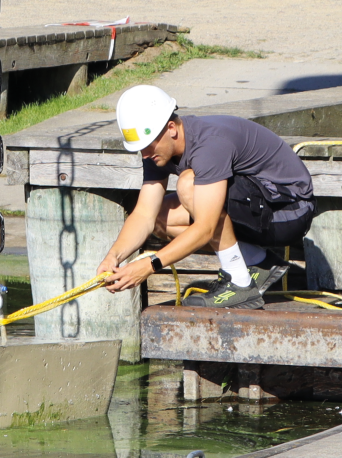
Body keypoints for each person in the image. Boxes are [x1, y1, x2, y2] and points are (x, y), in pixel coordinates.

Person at [98, 84, 317, 309]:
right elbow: (144, 214)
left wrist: (149, 265)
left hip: (290, 211)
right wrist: (114, 256)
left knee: (188, 185)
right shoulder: (155, 151)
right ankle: (258, 262)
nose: (144, 154)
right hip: (258, 204)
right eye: (140, 148)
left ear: (171, 128)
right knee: (161, 217)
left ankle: (240, 284)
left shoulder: (209, 144)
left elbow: (205, 228)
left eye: (148, 145)